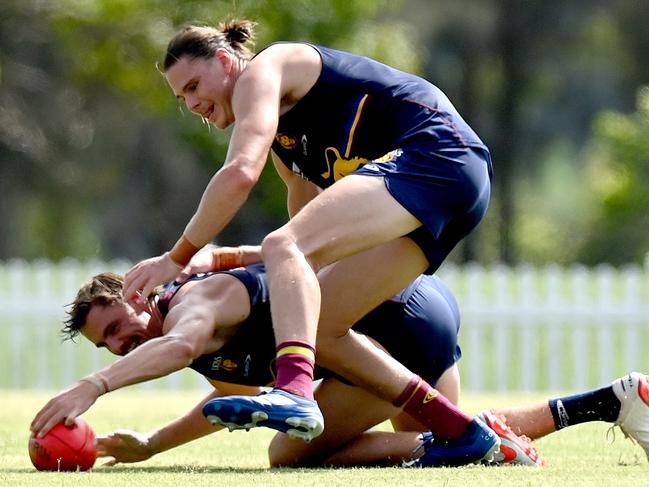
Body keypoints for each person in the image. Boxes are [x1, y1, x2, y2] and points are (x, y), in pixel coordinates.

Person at [121, 18, 494, 455]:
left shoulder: (262, 71)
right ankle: (463, 433)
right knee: (321, 328)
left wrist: (177, 258)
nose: (191, 102)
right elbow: (310, 222)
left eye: (193, 85)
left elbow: (241, 174)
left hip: (437, 153)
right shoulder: (286, 138)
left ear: (225, 60)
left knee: (285, 243)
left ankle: (294, 391)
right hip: (459, 186)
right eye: (181, 96)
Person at [29, 265, 649, 467]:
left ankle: (472, 442)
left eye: (117, 328)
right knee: (463, 436)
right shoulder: (189, 337)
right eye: (105, 347)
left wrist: (95, 385)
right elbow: (222, 405)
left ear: (140, 298)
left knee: (287, 453)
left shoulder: (193, 301)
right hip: (421, 308)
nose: (119, 346)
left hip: (394, 324)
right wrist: (153, 444)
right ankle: (607, 400)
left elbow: (183, 345)